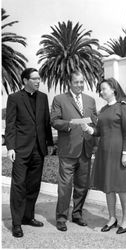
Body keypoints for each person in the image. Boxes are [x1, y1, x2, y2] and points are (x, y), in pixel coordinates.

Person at [81, 77, 126, 234]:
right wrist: (89, 129)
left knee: (122, 188)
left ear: (113, 89)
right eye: (101, 89)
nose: (101, 92)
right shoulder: (103, 110)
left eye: (104, 89)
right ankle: (112, 218)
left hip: (118, 153)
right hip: (104, 153)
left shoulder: (122, 107)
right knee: (108, 187)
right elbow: (99, 131)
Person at [5, 68, 53, 238]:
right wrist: (10, 147)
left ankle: (28, 216)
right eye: (34, 79)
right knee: (19, 186)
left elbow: (46, 122)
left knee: (33, 186)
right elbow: (10, 125)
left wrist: (49, 145)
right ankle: (16, 223)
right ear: (25, 80)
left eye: (39, 79)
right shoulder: (14, 98)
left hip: (38, 150)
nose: (38, 81)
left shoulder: (43, 97)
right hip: (20, 150)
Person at [51, 69, 97, 232]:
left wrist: (93, 132)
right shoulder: (59, 99)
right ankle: (61, 218)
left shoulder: (90, 100)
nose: (80, 85)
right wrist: (70, 124)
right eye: (76, 82)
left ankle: (77, 214)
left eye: (81, 82)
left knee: (82, 186)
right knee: (65, 186)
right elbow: (54, 121)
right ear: (70, 83)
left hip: (85, 149)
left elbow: (95, 122)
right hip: (68, 150)